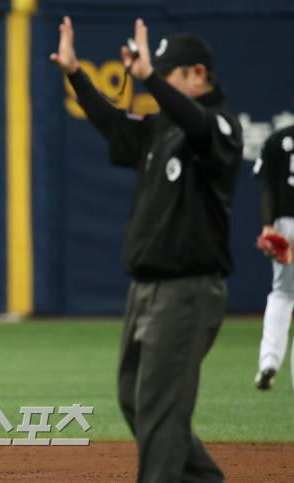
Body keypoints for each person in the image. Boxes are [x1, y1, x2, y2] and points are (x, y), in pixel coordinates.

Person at [51, 17, 242, 482]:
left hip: (186, 291)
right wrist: (76, 73)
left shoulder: (218, 126)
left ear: (197, 74)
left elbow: (198, 126)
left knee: (158, 407)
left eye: (169, 74)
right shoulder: (161, 129)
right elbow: (114, 123)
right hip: (146, 291)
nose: (160, 85)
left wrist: (149, 78)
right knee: (135, 398)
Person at [253, 124, 294, 390]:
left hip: (285, 224)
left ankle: (268, 361)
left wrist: (268, 224)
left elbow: (267, 184)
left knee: (282, 293)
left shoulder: (278, 138)